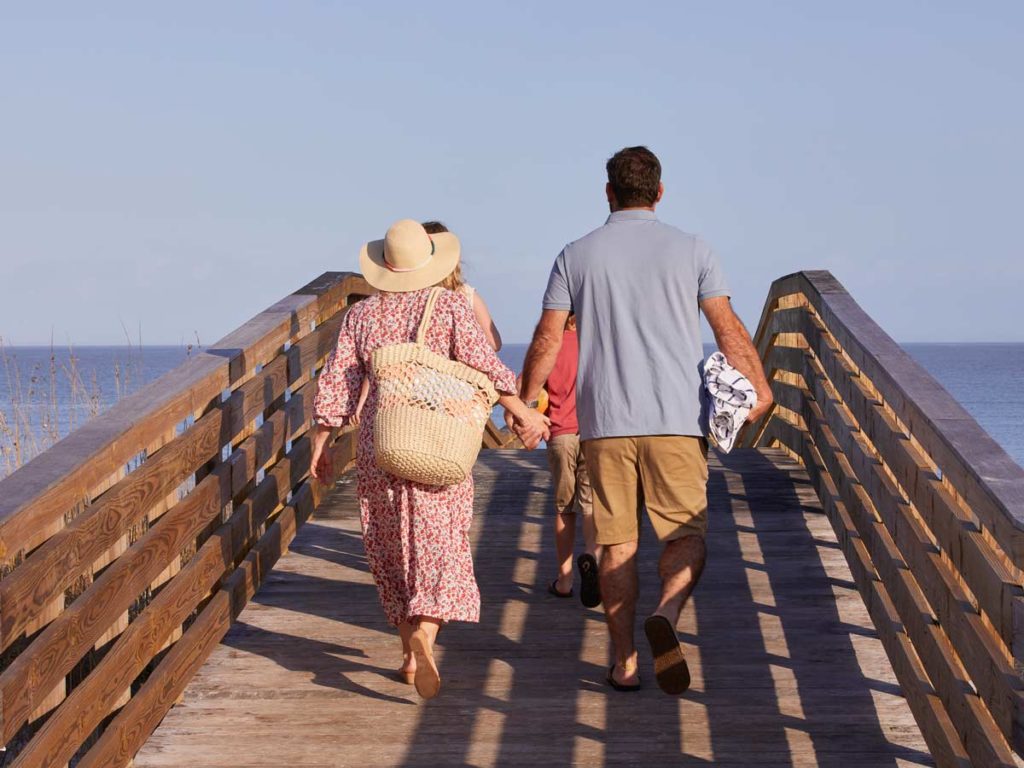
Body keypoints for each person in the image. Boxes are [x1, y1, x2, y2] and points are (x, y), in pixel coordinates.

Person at [514, 147, 772, 695]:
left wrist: (524, 404)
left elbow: (547, 337)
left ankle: (626, 661)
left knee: (615, 544)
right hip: (677, 419)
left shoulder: (575, 255)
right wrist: (761, 386)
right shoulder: (694, 249)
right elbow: (728, 329)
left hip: (603, 421)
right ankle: (669, 612)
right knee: (686, 534)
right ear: (659, 192)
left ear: (608, 192)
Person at [310, 219, 549, 701]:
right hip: (439, 439)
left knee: (390, 544)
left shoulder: (362, 316)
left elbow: (339, 383)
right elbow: (486, 367)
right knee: (441, 544)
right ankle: (427, 634)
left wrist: (320, 442)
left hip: (382, 443)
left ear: (384, 267)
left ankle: (406, 653)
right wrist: (523, 413)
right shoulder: (450, 307)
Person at [351, 220, 501, 426]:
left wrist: (361, 401)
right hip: (450, 402)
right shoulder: (459, 297)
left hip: (393, 407)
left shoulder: (372, 309)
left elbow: (378, 359)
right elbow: (493, 344)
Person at [510, 315, 602, 607]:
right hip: (595, 431)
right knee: (590, 505)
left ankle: (564, 581)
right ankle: (593, 558)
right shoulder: (597, 340)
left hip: (560, 432)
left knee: (565, 508)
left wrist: (521, 415)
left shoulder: (551, 344)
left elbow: (523, 386)